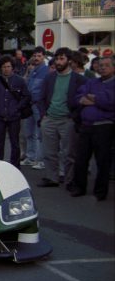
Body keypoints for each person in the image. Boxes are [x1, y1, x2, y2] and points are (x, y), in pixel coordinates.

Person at [38, 47, 88, 188]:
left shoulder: (79, 79)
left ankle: (69, 180)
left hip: (67, 119)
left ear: (69, 61)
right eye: (57, 59)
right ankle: (52, 177)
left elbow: (82, 101)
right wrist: (43, 115)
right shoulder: (50, 77)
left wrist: (74, 117)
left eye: (62, 59)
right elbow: (41, 97)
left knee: (69, 154)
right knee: (49, 152)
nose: (58, 62)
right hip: (49, 118)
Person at [70, 55, 114, 201]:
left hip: (104, 127)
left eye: (106, 65)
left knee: (102, 161)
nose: (102, 68)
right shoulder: (91, 82)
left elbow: (110, 102)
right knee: (81, 158)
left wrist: (94, 98)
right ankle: (79, 187)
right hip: (86, 126)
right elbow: (79, 97)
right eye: (100, 65)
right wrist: (92, 99)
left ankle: (100, 192)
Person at [0, 55, 31, 168]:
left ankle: (15, 166)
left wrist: (17, 108)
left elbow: (26, 96)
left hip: (14, 116)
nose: (6, 69)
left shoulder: (19, 80)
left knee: (15, 142)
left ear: (12, 67)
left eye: (8, 66)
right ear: (0, 68)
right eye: (4, 67)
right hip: (0, 116)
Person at [21, 47, 49, 169]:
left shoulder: (46, 71)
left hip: (39, 105)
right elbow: (27, 85)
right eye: (35, 56)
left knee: (39, 134)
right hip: (30, 104)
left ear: (44, 57)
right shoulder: (33, 70)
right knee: (29, 132)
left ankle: (41, 159)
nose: (36, 58)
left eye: (39, 56)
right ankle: (31, 157)